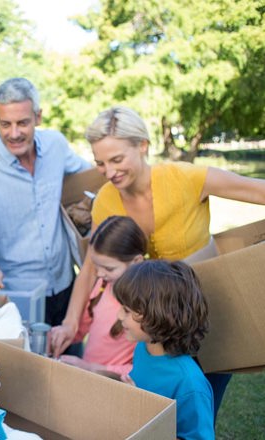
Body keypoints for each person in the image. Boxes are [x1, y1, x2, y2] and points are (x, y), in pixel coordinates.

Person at [49, 105, 265, 416]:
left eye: (117, 159)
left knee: (198, 404)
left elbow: (258, 191)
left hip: (202, 317)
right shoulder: (106, 200)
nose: (109, 172)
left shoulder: (186, 178)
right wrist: (70, 324)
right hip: (150, 331)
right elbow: (91, 267)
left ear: (143, 146)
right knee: (151, 411)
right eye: (100, 163)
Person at [0, 77, 91, 326]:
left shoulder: (56, 145)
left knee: (73, 360)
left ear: (38, 117)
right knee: (29, 364)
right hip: (19, 295)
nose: (14, 133)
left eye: (23, 123)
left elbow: (91, 180)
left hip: (66, 284)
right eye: (5, 124)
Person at [114, 260, 214, 440]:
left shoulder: (190, 384)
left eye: (127, 311)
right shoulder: (143, 348)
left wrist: (144, 417)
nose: (119, 316)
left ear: (157, 315)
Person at [58, 215, 146, 378]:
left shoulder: (145, 309)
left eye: (109, 268)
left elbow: (141, 370)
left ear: (137, 261)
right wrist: (65, 333)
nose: (99, 273)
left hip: (113, 386)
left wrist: (91, 368)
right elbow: (84, 327)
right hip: (90, 376)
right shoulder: (103, 285)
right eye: (96, 266)